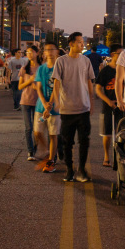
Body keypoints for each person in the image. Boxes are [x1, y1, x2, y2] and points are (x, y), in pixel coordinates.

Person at [52, 32, 96, 183]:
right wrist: (56, 101)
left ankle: (82, 169)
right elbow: (56, 83)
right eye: (79, 42)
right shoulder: (61, 61)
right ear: (70, 43)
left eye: (82, 42)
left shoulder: (86, 61)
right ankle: (69, 170)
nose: (82, 44)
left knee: (84, 141)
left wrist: (92, 101)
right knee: (67, 142)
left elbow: (90, 82)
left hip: (83, 108)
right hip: (67, 109)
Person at [34, 41, 61, 173]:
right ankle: (46, 152)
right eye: (47, 50)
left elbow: (57, 87)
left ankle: (51, 160)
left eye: (52, 49)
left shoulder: (60, 67)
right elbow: (38, 87)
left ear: (57, 51)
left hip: (55, 108)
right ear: (44, 53)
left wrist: (49, 107)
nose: (49, 52)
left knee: (53, 135)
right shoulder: (42, 68)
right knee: (37, 132)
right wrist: (44, 104)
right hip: (40, 106)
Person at [94, 44, 122, 167]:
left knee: (122, 133)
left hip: (123, 106)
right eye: (119, 54)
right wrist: (108, 101)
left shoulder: (124, 69)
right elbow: (98, 89)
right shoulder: (105, 71)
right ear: (113, 55)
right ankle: (106, 155)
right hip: (108, 106)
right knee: (107, 133)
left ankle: (120, 156)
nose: (122, 56)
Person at [18, 45, 40, 160]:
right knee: (28, 128)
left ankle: (35, 150)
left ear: (37, 53)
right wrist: (30, 80)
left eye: (31, 52)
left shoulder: (42, 68)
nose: (29, 54)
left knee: (37, 128)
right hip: (25, 101)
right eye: (27, 52)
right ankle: (30, 152)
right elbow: (20, 86)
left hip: (39, 102)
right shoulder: (24, 69)